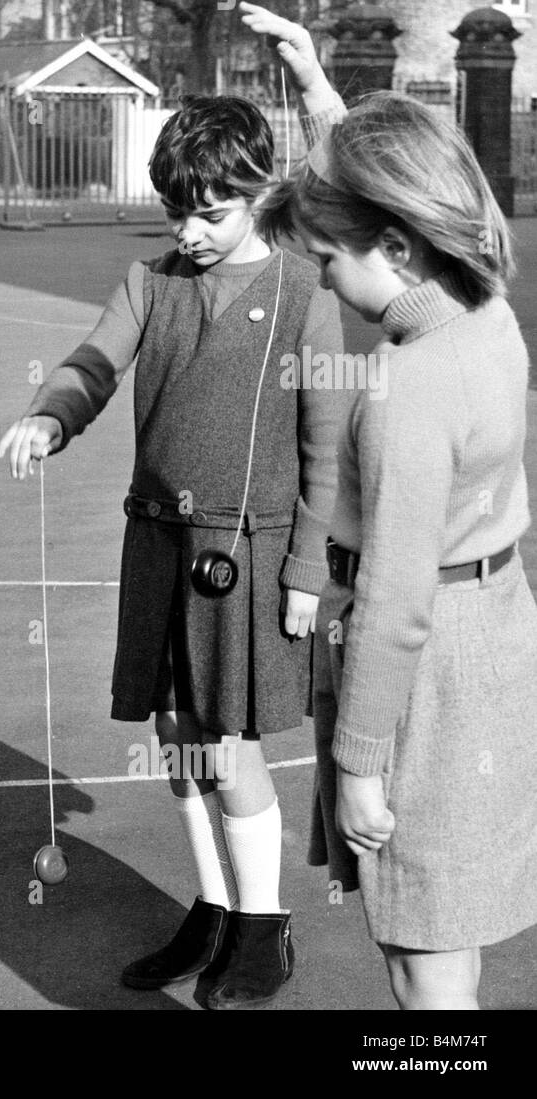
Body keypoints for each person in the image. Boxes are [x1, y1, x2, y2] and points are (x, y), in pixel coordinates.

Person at [0, 92, 347, 1007]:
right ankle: (215, 903)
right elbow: (95, 362)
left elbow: (325, 451)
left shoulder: (305, 295)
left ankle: (264, 927)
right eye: (177, 210)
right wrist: (50, 414)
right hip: (157, 539)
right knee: (176, 740)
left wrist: (309, 569)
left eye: (212, 211)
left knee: (228, 749)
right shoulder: (150, 282)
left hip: (246, 553)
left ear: (260, 193)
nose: (189, 230)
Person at [242, 1, 537, 1010]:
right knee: (450, 924)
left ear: (399, 248)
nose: (319, 271)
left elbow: (394, 601)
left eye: (327, 255)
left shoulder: (405, 388)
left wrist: (359, 764)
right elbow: (411, 187)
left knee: (422, 960)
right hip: (493, 636)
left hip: (427, 668)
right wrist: (322, 94)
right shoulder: (486, 305)